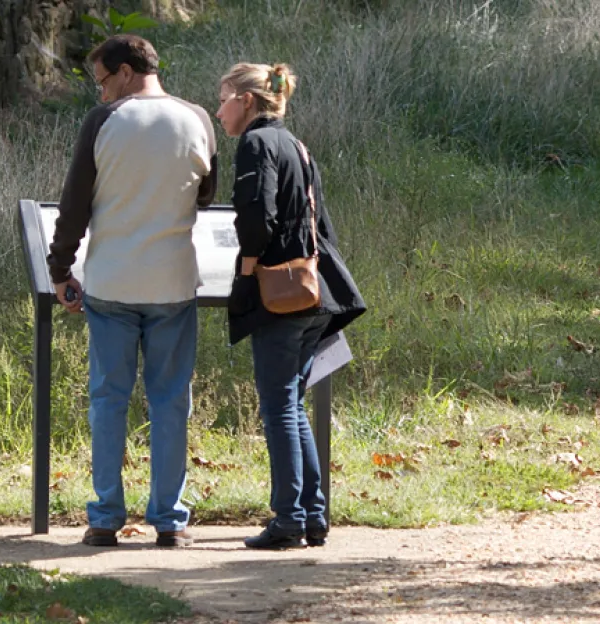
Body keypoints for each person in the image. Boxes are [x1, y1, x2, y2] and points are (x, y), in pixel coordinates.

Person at [46, 35, 217, 547]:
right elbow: (205, 194)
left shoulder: (104, 122)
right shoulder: (198, 119)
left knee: (108, 400)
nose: (100, 94)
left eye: (102, 81)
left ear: (124, 72)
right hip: (172, 282)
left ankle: (104, 518)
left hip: (112, 282)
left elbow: (74, 204)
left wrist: (60, 269)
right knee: (169, 403)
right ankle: (169, 521)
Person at [216, 62, 366, 549]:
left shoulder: (256, 144)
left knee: (278, 406)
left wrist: (246, 272)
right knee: (291, 405)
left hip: (280, 294)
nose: (218, 112)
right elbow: (323, 225)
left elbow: (256, 217)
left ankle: (287, 519)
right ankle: (312, 515)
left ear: (247, 101)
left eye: (223, 99)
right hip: (313, 292)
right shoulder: (297, 144)